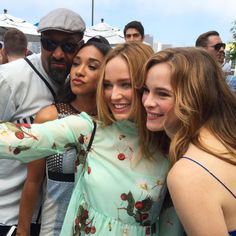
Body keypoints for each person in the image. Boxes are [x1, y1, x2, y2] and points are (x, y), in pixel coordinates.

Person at [0, 42, 184, 236]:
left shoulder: (171, 144)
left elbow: (171, 222)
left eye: (125, 84)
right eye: (107, 85)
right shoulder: (90, 129)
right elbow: (23, 138)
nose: (114, 95)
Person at [0, 8, 85, 236]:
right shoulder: (11, 78)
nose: (58, 54)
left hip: (53, 219)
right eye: (49, 44)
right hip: (8, 213)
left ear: (80, 46)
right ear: (40, 42)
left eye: (68, 46)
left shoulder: (78, 84)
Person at [18, 36, 111, 236]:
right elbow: (33, 181)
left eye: (92, 66)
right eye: (76, 63)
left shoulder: (112, 125)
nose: (79, 71)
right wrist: (22, 231)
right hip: (54, 228)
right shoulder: (51, 117)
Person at [141, 47, 236, 235]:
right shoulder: (225, 139)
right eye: (146, 90)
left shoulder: (186, 175)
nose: (147, 102)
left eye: (163, 94)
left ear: (195, 97)